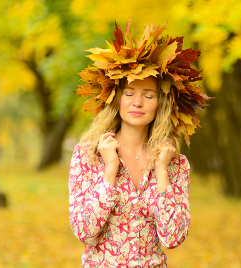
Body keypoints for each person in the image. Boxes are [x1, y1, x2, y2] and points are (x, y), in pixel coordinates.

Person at [69, 21, 211, 268]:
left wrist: (162, 172)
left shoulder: (175, 164)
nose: (138, 102)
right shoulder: (88, 155)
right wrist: (110, 169)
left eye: (148, 95)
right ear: (117, 99)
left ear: (160, 105)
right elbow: (84, 231)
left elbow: (173, 238)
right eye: (129, 93)